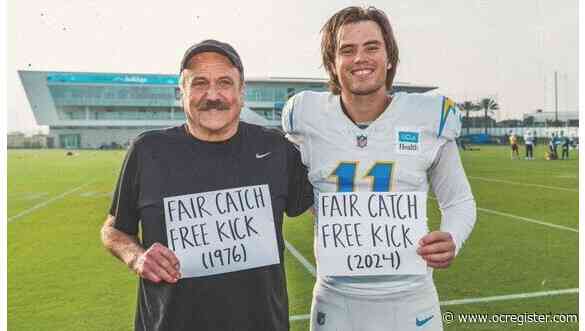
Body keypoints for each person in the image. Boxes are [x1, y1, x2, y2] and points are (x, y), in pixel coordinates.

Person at [282, 6, 476, 331]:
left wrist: (453, 236)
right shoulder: (306, 115)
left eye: (372, 47)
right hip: (335, 301)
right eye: (347, 50)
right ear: (333, 63)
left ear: (389, 56)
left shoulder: (427, 116)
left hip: (412, 302)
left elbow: (459, 201)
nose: (361, 58)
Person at [100, 39, 313, 331]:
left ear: (241, 92)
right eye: (199, 83)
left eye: (225, 82)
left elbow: (326, 203)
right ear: (182, 93)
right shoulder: (148, 150)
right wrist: (137, 258)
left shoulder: (275, 148)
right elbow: (113, 228)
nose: (212, 95)